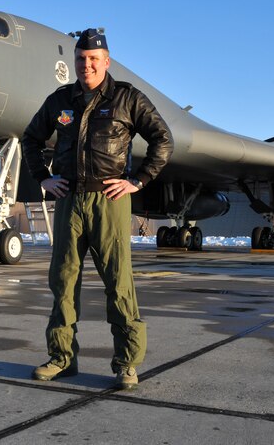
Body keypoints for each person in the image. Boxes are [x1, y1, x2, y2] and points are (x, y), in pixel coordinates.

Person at [21, 28, 173, 389]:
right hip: (70, 201)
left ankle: (126, 364)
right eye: (80, 59)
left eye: (93, 59)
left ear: (106, 62)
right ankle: (61, 358)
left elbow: (162, 140)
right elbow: (31, 138)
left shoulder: (126, 98)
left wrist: (137, 181)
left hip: (109, 201)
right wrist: (43, 177)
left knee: (119, 284)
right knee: (62, 281)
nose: (86, 65)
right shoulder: (60, 100)